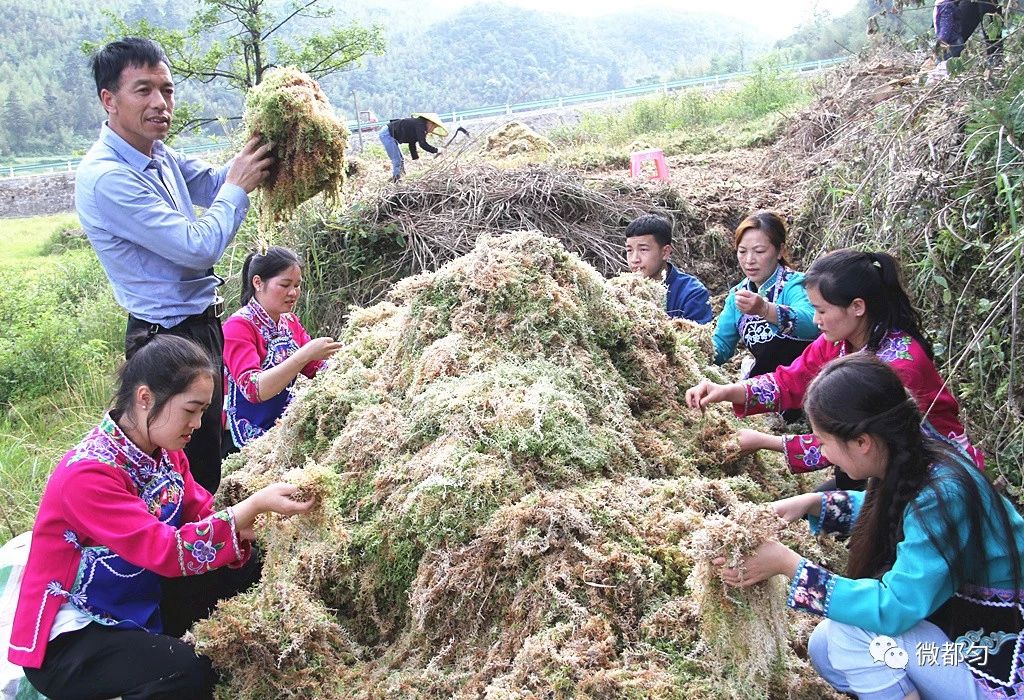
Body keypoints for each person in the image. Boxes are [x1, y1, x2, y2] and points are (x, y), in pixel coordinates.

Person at [7, 334, 315, 700]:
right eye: (191, 409)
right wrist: (247, 509)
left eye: (204, 411)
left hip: (135, 594)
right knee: (186, 673)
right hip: (74, 633)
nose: (199, 423)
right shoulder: (87, 475)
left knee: (247, 565)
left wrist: (249, 530)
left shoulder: (164, 452)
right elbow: (166, 550)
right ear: (145, 398)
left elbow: (201, 512)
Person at [715, 354, 1024, 700]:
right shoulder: (916, 451)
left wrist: (791, 567)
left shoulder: (944, 494)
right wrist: (811, 504)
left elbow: (893, 608)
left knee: (856, 632)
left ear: (862, 442)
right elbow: (907, 512)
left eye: (823, 442)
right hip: (965, 626)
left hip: (999, 656)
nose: (823, 452)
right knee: (824, 647)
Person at [75, 37, 274, 494]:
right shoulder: (108, 178)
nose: (160, 103)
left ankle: (214, 548)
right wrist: (239, 187)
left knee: (207, 447)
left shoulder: (155, 153)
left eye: (167, 90)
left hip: (199, 327)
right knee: (181, 464)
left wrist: (265, 154)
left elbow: (213, 181)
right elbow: (197, 246)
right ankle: (192, 557)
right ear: (109, 100)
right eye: (143, 91)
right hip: (165, 340)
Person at [685, 249, 984, 487]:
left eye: (821, 310)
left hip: (935, 473)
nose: (815, 320)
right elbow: (792, 380)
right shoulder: (839, 341)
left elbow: (851, 441)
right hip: (874, 463)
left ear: (857, 306)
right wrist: (727, 391)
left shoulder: (897, 366)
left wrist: (765, 442)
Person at [223, 247, 343, 448]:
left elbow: (317, 369)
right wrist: (303, 355)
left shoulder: (289, 321)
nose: (293, 293)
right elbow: (253, 389)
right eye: (285, 284)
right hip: (243, 436)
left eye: (297, 285)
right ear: (258, 283)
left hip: (280, 431)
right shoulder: (238, 327)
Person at [712, 211, 819, 379]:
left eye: (759, 251)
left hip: (809, 382)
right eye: (742, 251)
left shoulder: (795, 285)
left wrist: (764, 309)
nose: (749, 260)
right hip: (768, 386)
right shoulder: (737, 296)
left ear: (780, 251)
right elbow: (721, 346)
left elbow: (813, 323)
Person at [625, 214, 713, 324]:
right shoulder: (621, 291)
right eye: (629, 250)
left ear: (665, 252)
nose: (634, 259)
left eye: (643, 250)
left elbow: (697, 338)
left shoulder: (692, 294)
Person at [378, 112, 448, 182]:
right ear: (430, 123)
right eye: (434, 127)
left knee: (401, 158)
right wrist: (437, 150)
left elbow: (412, 141)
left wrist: (416, 158)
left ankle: (402, 176)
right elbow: (423, 144)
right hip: (387, 134)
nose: (432, 130)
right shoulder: (420, 125)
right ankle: (396, 179)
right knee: (397, 159)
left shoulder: (419, 125)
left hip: (390, 133)